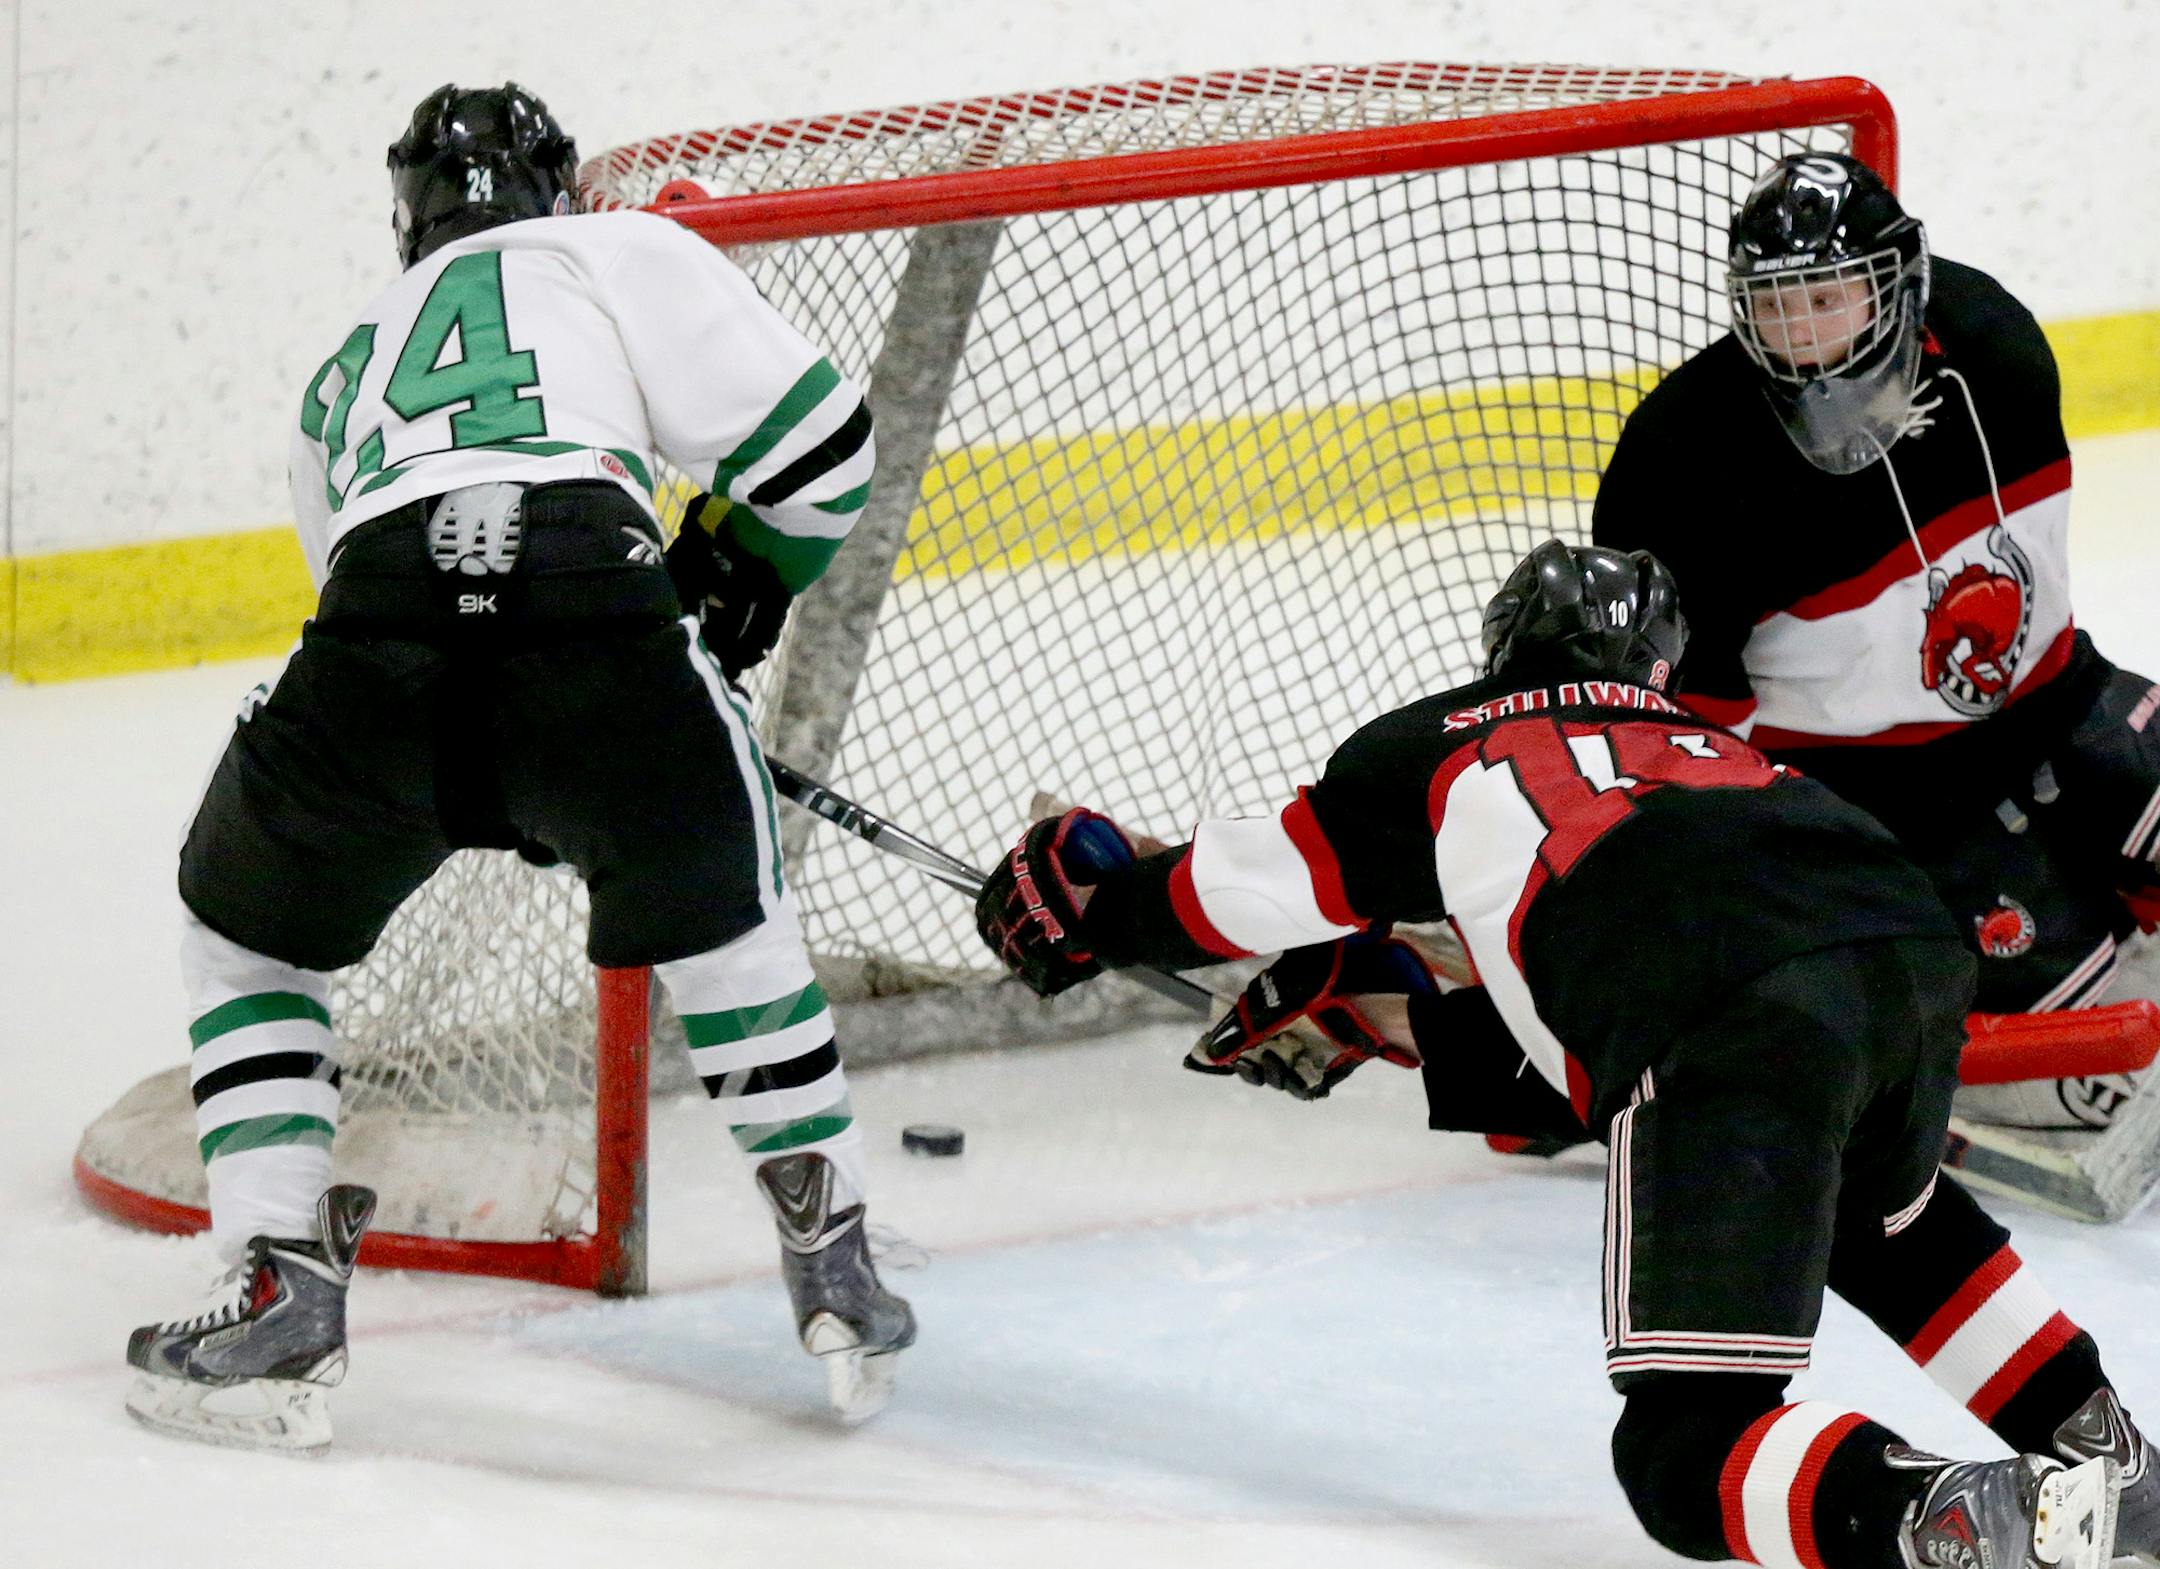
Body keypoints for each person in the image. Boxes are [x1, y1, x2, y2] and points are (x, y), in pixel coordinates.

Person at [974, 539, 2153, 1569]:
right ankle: (2113, 1462)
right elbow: (1588, 1036)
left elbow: (1231, 891)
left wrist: (1092, 907)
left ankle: (1939, 1515)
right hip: (1903, 945)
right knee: (1877, 1222)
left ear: (1504, 650)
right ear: (1655, 671)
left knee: (1687, 1463)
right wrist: (1393, 1015)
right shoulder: (1698, 745)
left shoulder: (1434, 744)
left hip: (1722, 1007)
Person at [123, 82, 912, 1452]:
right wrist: (728, 580)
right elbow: (828, 455)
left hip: (379, 642)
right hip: (593, 603)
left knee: (243, 931)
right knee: (731, 922)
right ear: (562, 192)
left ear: (405, 226)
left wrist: (500, 767)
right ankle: (833, 1254)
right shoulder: (623, 250)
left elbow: (373, 598)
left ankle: (272, 1284)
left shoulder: (342, 361)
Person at [1592, 151, 2160, 1138]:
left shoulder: (1992, 344)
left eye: (1828, 295)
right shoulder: (1683, 462)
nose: (1801, 335)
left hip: (2064, 710)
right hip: (1887, 812)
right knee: (2094, 1090)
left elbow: (2023, 574)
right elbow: (1684, 748)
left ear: (1898, 283)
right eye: (1775, 306)